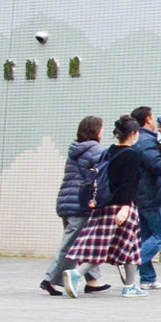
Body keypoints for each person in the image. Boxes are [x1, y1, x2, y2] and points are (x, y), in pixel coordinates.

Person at [63, 115, 148, 298]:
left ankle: (130, 285)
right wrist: (125, 207)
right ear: (133, 133)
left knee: (128, 246)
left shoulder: (109, 151)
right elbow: (129, 184)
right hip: (123, 207)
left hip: (104, 203)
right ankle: (76, 274)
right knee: (110, 246)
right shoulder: (132, 155)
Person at [40, 117, 110, 296]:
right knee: (73, 244)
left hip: (67, 201)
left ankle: (93, 281)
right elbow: (102, 174)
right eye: (101, 129)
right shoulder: (95, 150)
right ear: (96, 131)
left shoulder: (75, 150)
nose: (103, 132)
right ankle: (50, 279)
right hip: (81, 204)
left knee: (85, 243)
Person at [133, 106, 161, 290]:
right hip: (153, 194)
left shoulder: (137, 139)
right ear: (148, 119)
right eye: (152, 118)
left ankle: (147, 278)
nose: (155, 122)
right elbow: (158, 166)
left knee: (147, 237)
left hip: (140, 195)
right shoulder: (146, 141)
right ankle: (131, 263)